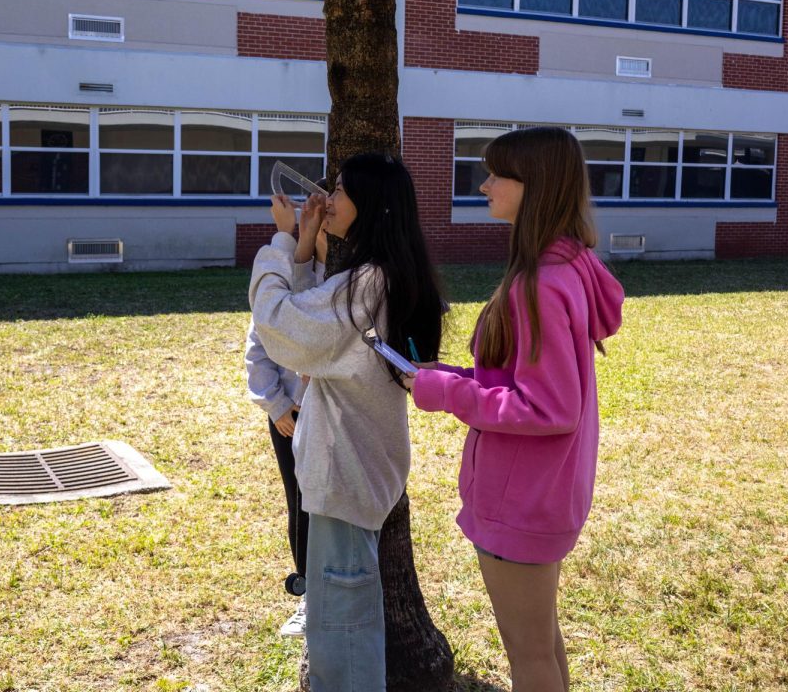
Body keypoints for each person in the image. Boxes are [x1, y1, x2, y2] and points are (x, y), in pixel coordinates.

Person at [404, 127, 624, 692]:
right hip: (538, 493)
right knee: (541, 645)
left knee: (529, 658)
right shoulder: (562, 269)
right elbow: (518, 376)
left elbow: (549, 407)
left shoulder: (541, 283)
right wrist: (448, 376)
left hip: (522, 501)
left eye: (498, 174)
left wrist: (446, 395)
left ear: (535, 186)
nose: (484, 185)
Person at [248, 153, 444, 691]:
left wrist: (284, 241)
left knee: (343, 636)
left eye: (339, 189)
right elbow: (315, 320)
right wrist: (308, 243)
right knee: (342, 621)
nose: (326, 198)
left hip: (344, 482)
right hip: (357, 477)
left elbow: (280, 323)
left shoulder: (363, 288)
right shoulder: (384, 279)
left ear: (371, 205)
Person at [243, 232, 327, 638]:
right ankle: (308, 590)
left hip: (329, 416)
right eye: (317, 227)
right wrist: (276, 405)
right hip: (288, 416)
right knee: (300, 504)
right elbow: (258, 348)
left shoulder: (344, 279)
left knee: (328, 505)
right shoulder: (286, 278)